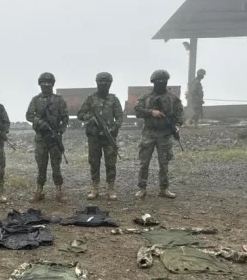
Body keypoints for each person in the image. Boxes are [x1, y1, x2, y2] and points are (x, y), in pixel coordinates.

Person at [133, 69, 183, 199]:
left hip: (165, 134)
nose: (160, 84)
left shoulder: (173, 98)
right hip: (149, 132)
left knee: (164, 162)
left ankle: (164, 189)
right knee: (144, 162)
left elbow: (179, 114)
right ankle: (142, 188)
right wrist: (151, 112)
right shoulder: (146, 97)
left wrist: (177, 127)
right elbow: (137, 110)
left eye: (163, 81)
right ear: (153, 82)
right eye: (158, 82)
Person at [77, 72, 124, 200]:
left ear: (110, 83)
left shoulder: (114, 99)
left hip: (109, 137)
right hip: (94, 137)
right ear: (97, 82)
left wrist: (113, 128)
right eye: (101, 81)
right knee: (94, 162)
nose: (103, 84)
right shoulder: (91, 99)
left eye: (106, 82)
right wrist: (90, 118)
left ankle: (111, 188)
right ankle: (94, 187)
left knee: (110, 163)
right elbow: (80, 114)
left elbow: (120, 117)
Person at [25, 72, 69, 202]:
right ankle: (39, 191)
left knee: (56, 165)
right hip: (41, 138)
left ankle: (59, 191)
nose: (46, 84)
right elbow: (29, 115)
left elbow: (65, 117)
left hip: (54, 138)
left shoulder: (58, 100)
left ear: (52, 84)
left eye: (48, 82)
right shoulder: (36, 100)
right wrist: (39, 122)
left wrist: (60, 131)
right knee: (41, 166)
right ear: (40, 84)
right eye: (43, 82)